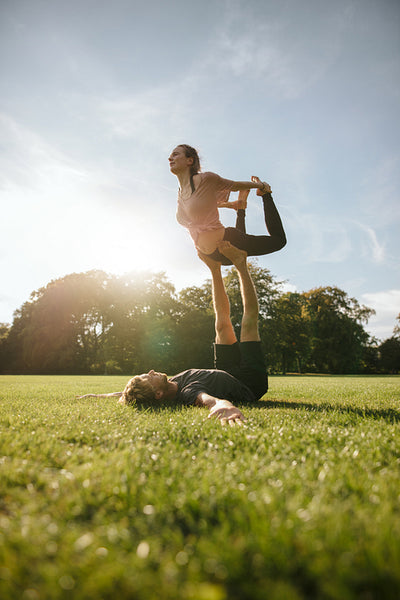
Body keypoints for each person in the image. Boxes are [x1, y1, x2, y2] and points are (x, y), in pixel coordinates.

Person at [76, 244, 268, 426]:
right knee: (248, 324)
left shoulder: (170, 383)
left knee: (221, 326)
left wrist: (97, 396)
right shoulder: (189, 392)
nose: (151, 371)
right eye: (148, 377)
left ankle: (215, 269)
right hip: (248, 382)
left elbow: (122, 394)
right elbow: (209, 400)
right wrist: (223, 405)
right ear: (158, 394)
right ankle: (241, 265)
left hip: (227, 372)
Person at [169, 144, 286, 265]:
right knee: (241, 243)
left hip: (227, 241)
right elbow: (200, 206)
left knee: (279, 241)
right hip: (214, 256)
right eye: (170, 155)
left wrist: (261, 186)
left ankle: (266, 195)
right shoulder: (181, 193)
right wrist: (229, 205)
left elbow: (234, 185)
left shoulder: (206, 179)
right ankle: (240, 208)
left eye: (175, 154)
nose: (170, 158)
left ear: (190, 160)